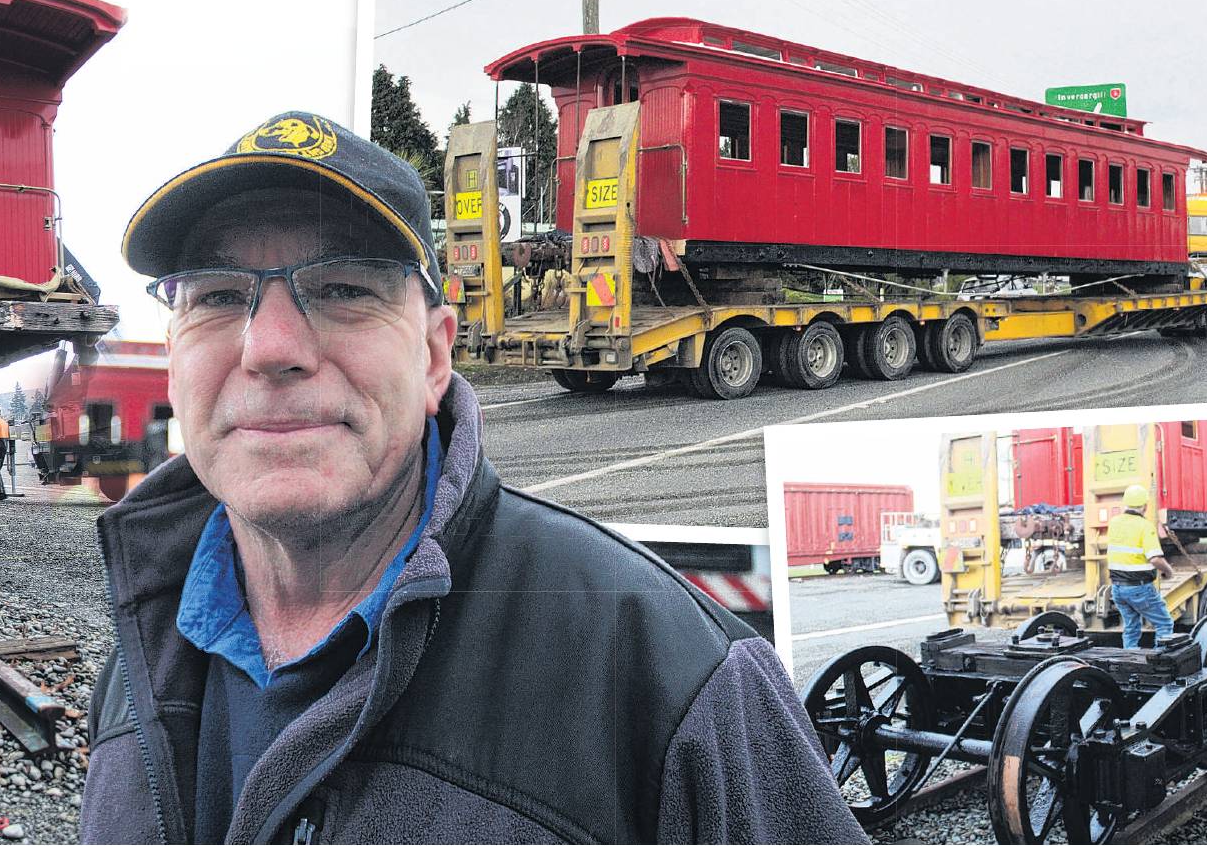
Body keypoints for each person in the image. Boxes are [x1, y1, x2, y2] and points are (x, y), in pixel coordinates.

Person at [80, 111, 866, 844]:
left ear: (432, 355)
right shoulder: (140, 657)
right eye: (217, 296)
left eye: (343, 288)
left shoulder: (669, 675)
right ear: (173, 351)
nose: (270, 344)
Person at [1107, 483, 1178, 648]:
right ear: (1145, 506)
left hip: (1117, 589)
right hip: (1139, 588)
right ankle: (1159, 664)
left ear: (1125, 503)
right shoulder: (1145, 526)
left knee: (1131, 627)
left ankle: (1130, 660)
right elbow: (1154, 559)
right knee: (1164, 624)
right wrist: (1169, 571)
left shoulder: (1114, 523)